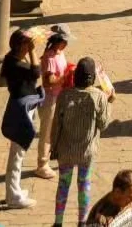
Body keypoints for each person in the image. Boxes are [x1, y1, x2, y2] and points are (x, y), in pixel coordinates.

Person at [50, 56, 112, 227]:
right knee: (84, 186)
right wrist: (109, 102)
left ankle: (58, 222)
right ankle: (82, 222)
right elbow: (103, 124)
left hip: (66, 151)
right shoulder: (99, 97)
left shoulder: (65, 95)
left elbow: (56, 125)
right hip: (87, 152)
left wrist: (53, 147)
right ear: (92, 78)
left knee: (63, 185)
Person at [0, 29, 42, 211]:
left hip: (22, 104)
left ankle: (14, 190)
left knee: (19, 153)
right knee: (17, 153)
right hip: (20, 109)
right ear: (20, 46)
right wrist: (32, 52)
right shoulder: (16, 64)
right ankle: (13, 195)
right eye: (27, 44)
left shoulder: (12, 59)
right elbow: (36, 73)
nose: (30, 47)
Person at [33, 24, 73, 179]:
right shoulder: (49, 57)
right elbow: (48, 81)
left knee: (57, 130)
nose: (66, 44)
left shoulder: (59, 54)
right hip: (50, 99)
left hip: (59, 97)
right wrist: (65, 77)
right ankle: (42, 164)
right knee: (47, 132)